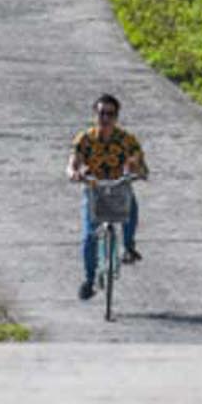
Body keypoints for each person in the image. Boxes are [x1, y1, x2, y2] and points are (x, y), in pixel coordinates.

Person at [67, 92, 148, 300]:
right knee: (89, 237)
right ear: (95, 114)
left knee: (131, 207)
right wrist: (74, 173)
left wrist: (136, 171)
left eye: (110, 114)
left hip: (118, 186)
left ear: (116, 117)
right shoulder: (84, 139)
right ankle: (89, 279)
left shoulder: (126, 140)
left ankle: (128, 246)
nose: (105, 118)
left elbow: (139, 162)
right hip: (95, 188)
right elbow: (72, 163)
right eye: (101, 113)